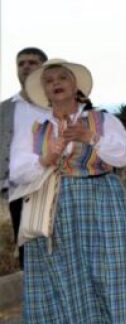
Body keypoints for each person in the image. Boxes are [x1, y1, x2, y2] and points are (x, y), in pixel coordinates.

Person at [15, 59, 126, 322]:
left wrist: (90, 137)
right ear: (45, 91)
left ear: (75, 85)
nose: (56, 84)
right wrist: (45, 158)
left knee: (114, 271)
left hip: (102, 203)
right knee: (67, 276)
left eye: (62, 78)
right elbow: (17, 172)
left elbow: (124, 156)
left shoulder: (102, 120)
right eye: (49, 81)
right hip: (56, 209)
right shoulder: (36, 129)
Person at [0, 46, 48, 268]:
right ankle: (35, 302)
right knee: (29, 256)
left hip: (60, 187)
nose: (26, 67)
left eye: (32, 62)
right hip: (21, 191)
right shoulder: (6, 109)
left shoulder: (58, 103)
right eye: (21, 63)